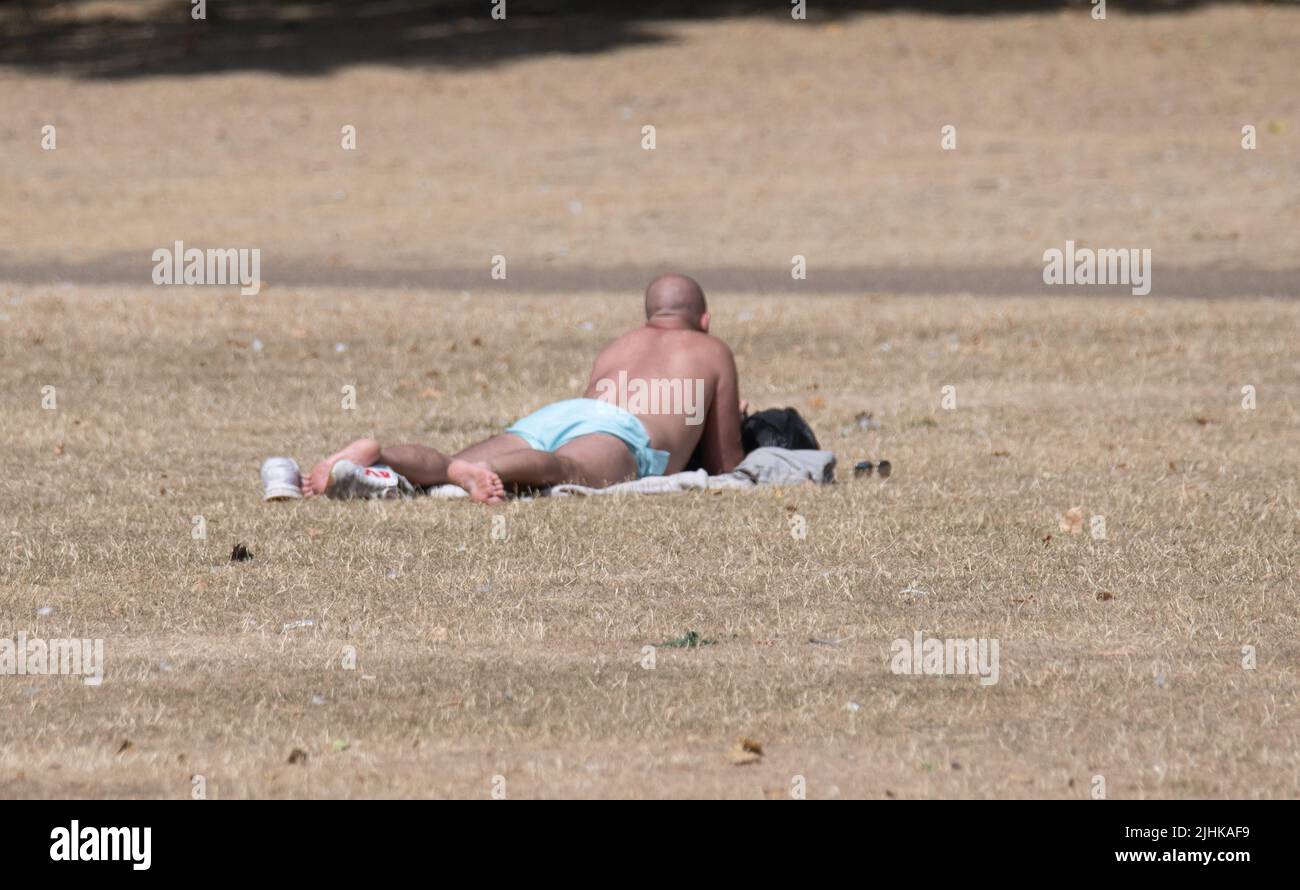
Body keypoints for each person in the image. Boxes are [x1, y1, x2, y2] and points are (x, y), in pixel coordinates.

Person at [302, 273, 746, 504]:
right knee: (565, 467)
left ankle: (375, 459)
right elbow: (726, 463)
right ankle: (481, 475)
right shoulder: (711, 349)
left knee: (453, 462)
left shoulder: (621, 345)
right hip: (623, 432)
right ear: (704, 319)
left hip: (564, 414)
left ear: (649, 313)